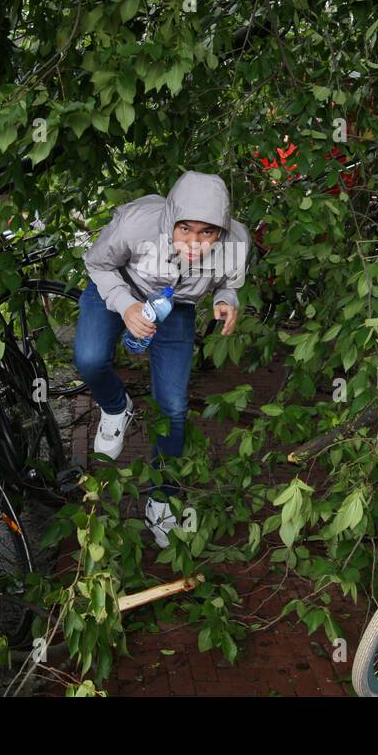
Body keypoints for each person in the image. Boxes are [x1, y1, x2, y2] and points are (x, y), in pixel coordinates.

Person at [74, 171, 250, 547]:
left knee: (173, 405)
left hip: (177, 307)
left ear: (222, 230)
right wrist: (125, 306)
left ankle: (162, 496)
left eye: (208, 233)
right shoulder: (137, 225)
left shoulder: (237, 241)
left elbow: (229, 282)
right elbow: (96, 263)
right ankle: (115, 406)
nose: (194, 243)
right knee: (89, 359)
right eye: (185, 229)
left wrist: (225, 300)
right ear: (171, 218)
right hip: (118, 286)